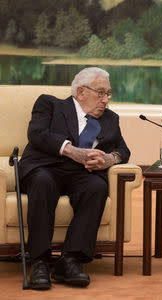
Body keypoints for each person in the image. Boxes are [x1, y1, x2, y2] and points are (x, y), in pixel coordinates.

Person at [18, 67, 130, 290]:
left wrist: (109, 159)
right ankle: (39, 261)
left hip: (81, 174)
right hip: (45, 167)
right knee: (43, 182)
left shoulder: (110, 119)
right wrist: (70, 150)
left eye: (108, 94)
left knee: (97, 186)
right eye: (100, 93)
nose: (105, 100)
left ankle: (70, 261)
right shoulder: (50, 105)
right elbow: (37, 134)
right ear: (80, 92)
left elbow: (123, 150)